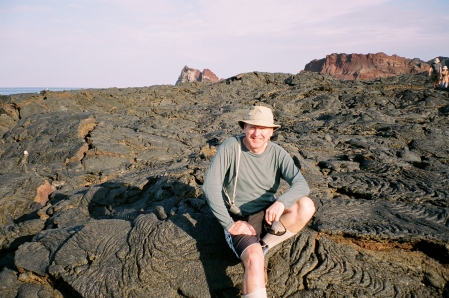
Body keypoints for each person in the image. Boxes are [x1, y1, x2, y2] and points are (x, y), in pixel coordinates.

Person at [202, 106, 315, 298]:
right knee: (254, 259)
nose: (257, 133)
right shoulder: (231, 147)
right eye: (252, 127)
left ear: (271, 132)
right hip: (241, 218)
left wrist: (281, 202)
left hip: (267, 213)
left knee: (306, 205)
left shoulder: (278, 153)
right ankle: (256, 250)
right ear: (244, 127)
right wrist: (230, 225)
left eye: (263, 128)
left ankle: (264, 245)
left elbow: (301, 185)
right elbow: (209, 187)